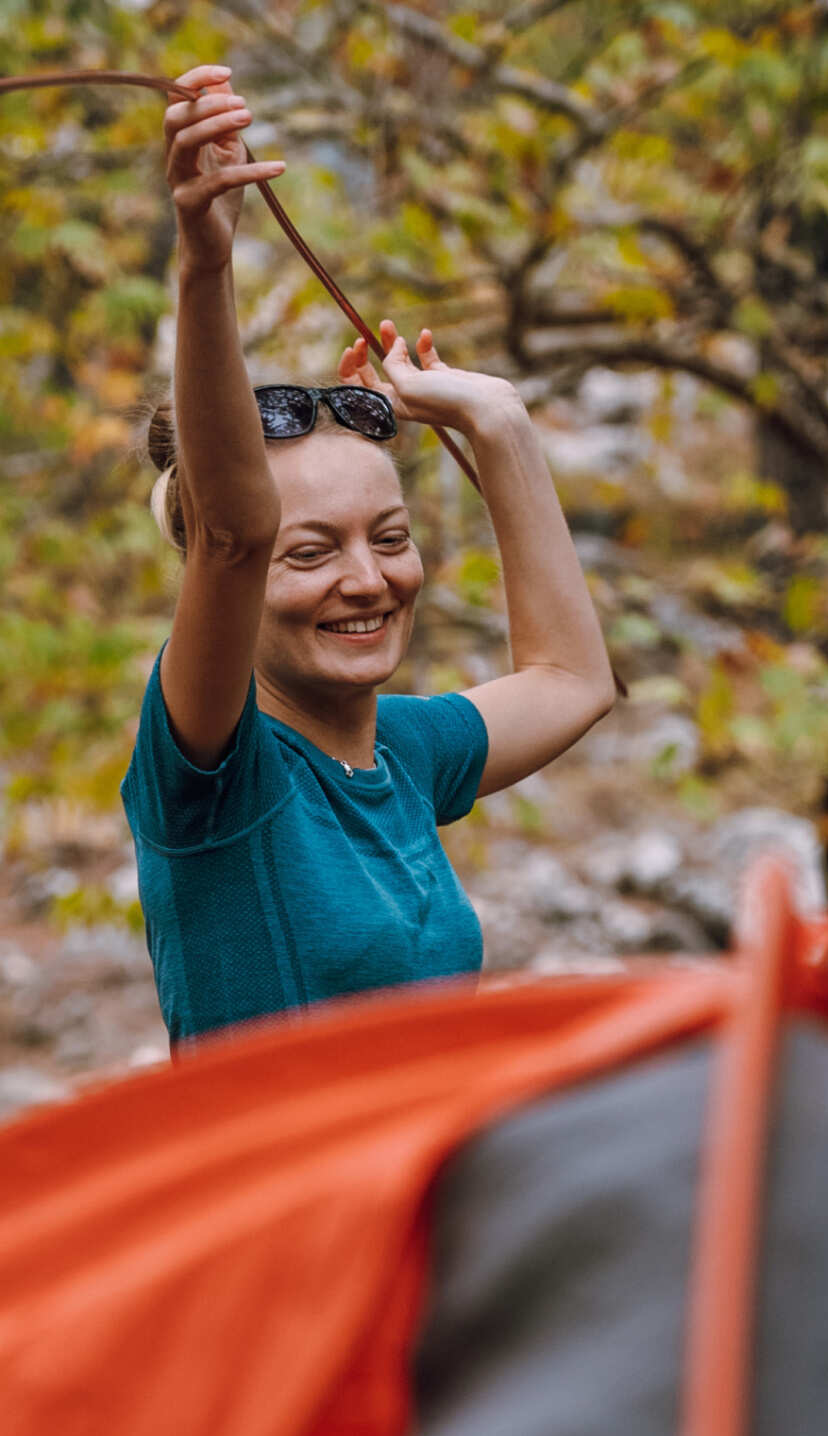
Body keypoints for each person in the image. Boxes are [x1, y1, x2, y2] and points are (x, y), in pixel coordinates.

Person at [121, 64, 617, 1048]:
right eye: (309, 551)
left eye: (387, 538)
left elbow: (570, 679)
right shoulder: (217, 774)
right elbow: (230, 531)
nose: (366, 578)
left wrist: (499, 423)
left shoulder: (405, 751)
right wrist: (205, 263)